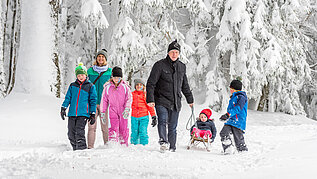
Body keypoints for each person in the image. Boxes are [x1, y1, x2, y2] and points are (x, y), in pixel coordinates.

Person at [146, 40, 194, 152]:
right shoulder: (159, 65)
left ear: (179, 54)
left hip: (176, 102)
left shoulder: (182, 67)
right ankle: (163, 142)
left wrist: (190, 99)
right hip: (161, 99)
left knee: (172, 126)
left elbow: (184, 85)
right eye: (172, 52)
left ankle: (172, 147)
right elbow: (151, 83)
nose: (174, 54)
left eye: (176, 52)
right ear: (168, 53)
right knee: (162, 120)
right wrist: (150, 99)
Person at [60, 62, 97, 151]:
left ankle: (81, 150)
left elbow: (93, 100)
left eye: (82, 75)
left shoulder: (90, 86)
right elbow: (68, 97)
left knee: (79, 132)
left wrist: (92, 114)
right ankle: (75, 149)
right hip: (72, 113)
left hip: (83, 114)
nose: (80, 77)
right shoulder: (73, 86)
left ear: (85, 75)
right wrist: (63, 108)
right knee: (71, 133)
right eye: (79, 75)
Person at [100, 66, 132, 146]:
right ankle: (113, 144)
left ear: (121, 78)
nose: (116, 79)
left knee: (124, 128)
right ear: (112, 77)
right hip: (112, 110)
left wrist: (127, 108)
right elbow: (104, 100)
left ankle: (124, 144)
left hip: (123, 110)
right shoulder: (107, 88)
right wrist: (103, 112)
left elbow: (129, 98)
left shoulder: (125, 87)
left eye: (118, 77)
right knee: (113, 128)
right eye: (115, 77)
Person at [87, 49, 112, 149]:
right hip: (92, 103)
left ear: (105, 59)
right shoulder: (90, 71)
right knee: (91, 127)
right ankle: (90, 147)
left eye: (103, 57)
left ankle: (107, 146)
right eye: (99, 56)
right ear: (96, 58)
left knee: (105, 127)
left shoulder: (110, 72)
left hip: (104, 104)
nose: (100, 58)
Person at [219, 79, 248, 154]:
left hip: (238, 121)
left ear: (234, 89)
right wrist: (227, 115)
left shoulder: (241, 97)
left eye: (231, 88)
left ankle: (243, 151)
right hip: (231, 119)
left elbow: (238, 108)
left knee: (238, 138)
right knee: (223, 133)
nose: (230, 90)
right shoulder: (234, 97)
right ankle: (228, 149)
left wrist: (228, 114)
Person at [130, 79, 157, 145]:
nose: (139, 86)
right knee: (134, 132)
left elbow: (150, 106)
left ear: (143, 86)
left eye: (141, 85)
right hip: (134, 117)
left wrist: (153, 116)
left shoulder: (146, 95)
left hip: (144, 117)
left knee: (143, 131)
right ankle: (134, 144)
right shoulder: (131, 95)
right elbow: (127, 103)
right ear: (135, 86)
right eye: (137, 85)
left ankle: (144, 145)